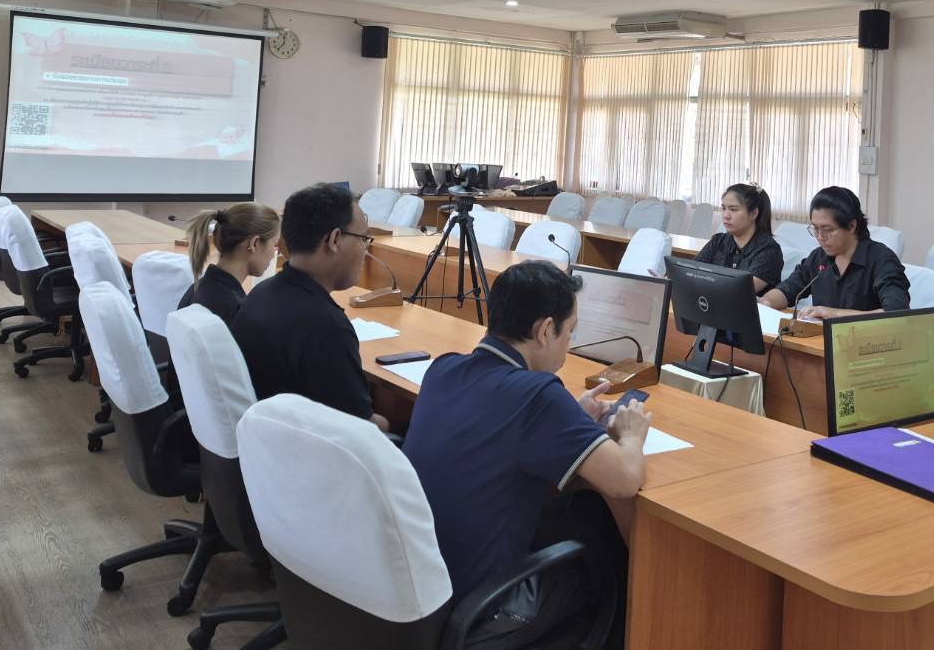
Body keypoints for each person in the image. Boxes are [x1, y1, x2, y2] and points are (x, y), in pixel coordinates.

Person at [403, 260, 650, 648]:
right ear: (545, 330)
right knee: (609, 563)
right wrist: (631, 436)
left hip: (420, 585)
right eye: (570, 331)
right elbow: (624, 481)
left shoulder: (443, 368)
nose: (569, 344)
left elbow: (500, 421)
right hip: (478, 607)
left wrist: (570, 419)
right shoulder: (540, 396)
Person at [230, 183, 388, 430]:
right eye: (363, 240)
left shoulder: (261, 293)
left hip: (263, 442)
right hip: (299, 449)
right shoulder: (326, 328)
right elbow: (360, 430)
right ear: (335, 240)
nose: (365, 252)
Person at [760, 186, 908, 319]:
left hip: (867, 339)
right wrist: (765, 303)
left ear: (851, 226)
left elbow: (897, 312)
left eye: (828, 230)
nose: (820, 237)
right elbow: (787, 290)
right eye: (815, 229)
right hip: (818, 338)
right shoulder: (818, 258)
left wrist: (833, 314)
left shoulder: (882, 260)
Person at [176, 202, 280, 325]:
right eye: (274, 245)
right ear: (254, 243)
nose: (274, 254)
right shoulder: (237, 312)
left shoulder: (195, 290)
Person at [696, 184, 784, 295]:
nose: (726, 215)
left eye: (733, 209)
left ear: (753, 213)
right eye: (723, 208)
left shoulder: (768, 250)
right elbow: (691, 272)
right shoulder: (718, 241)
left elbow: (740, 290)